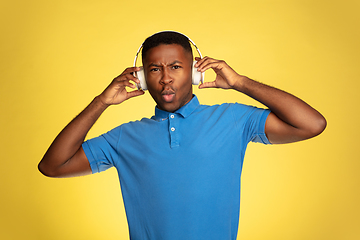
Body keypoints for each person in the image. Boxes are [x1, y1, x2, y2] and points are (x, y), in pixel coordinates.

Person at [38, 31, 326, 240]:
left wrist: (240, 82)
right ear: (141, 78)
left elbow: (311, 124)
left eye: (175, 67)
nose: (165, 78)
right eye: (154, 69)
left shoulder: (234, 119)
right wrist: (100, 102)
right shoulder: (124, 138)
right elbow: (52, 166)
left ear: (195, 71)